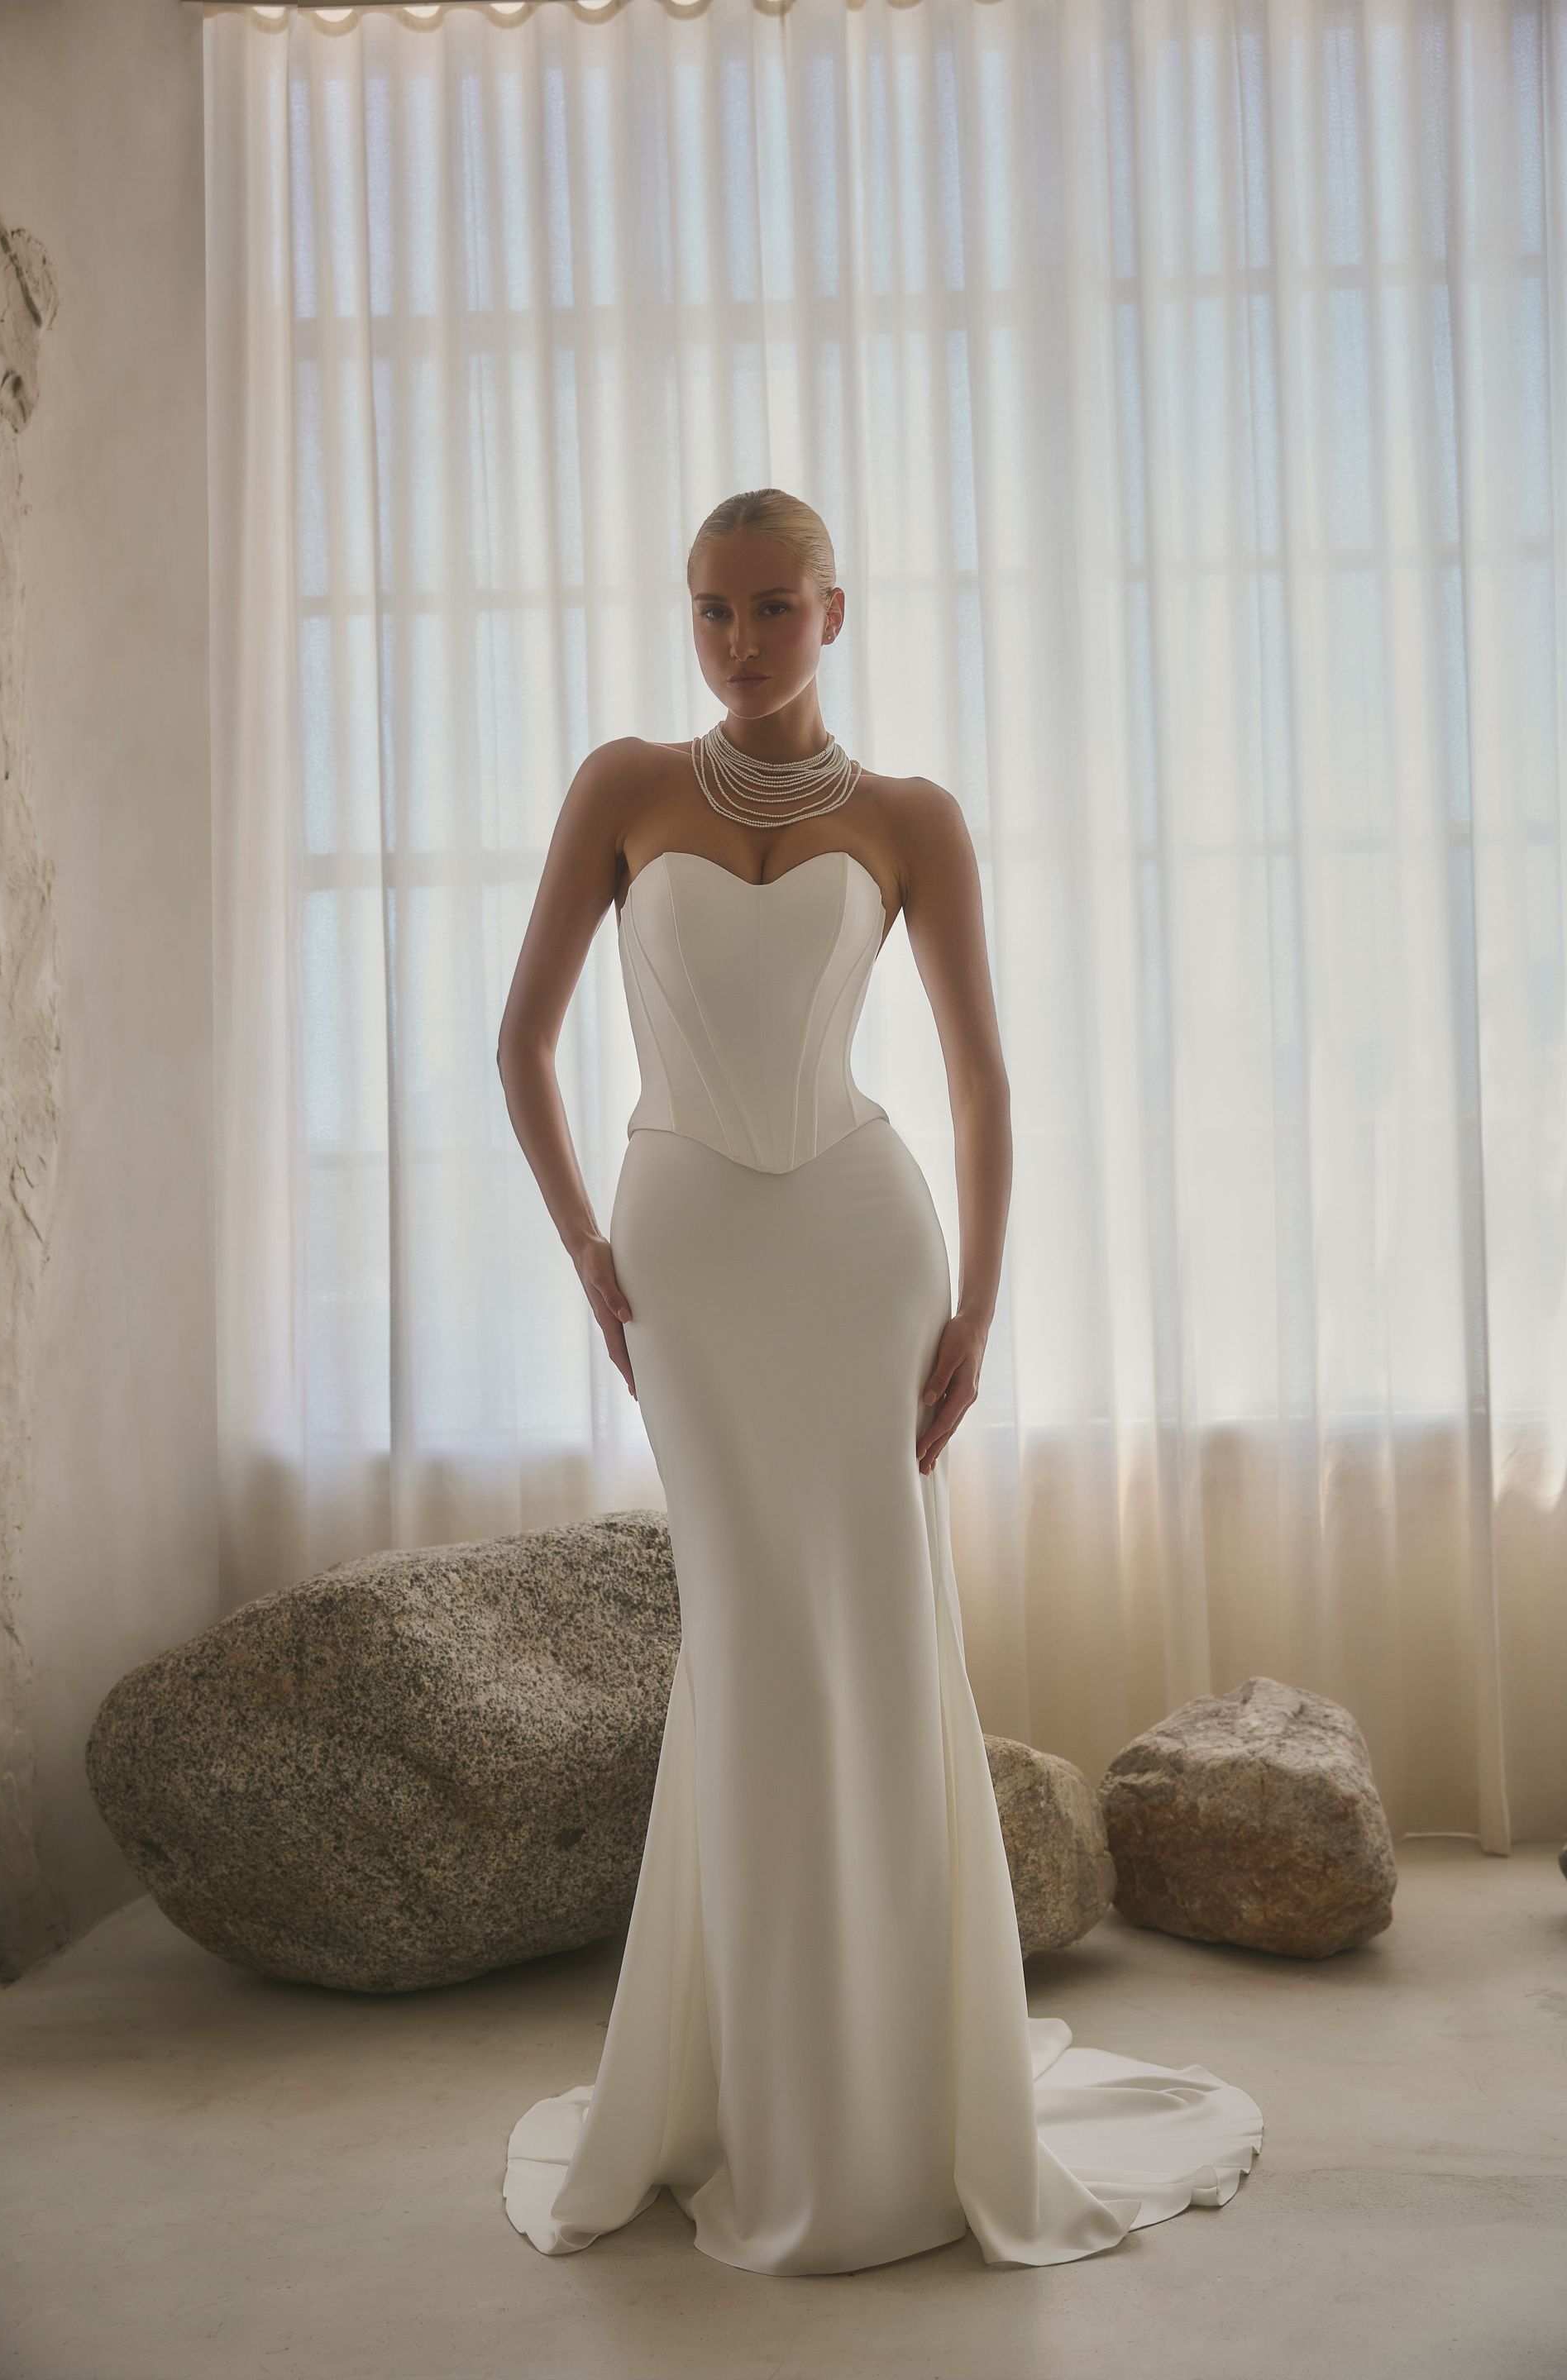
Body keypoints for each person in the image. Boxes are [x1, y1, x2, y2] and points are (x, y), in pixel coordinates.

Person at [495, 489, 1262, 2277]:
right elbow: (520, 1042)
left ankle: (888, 2092)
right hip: (683, 1250)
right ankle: (754, 2089)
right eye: (712, 611)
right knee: (756, 1642)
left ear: (836, 612)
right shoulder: (622, 787)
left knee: (874, 1642)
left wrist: (980, 1310)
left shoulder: (912, 819)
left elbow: (986, 1087)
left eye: (774, 609)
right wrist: (586, 1254)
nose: (741, 643)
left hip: (860, 1252)